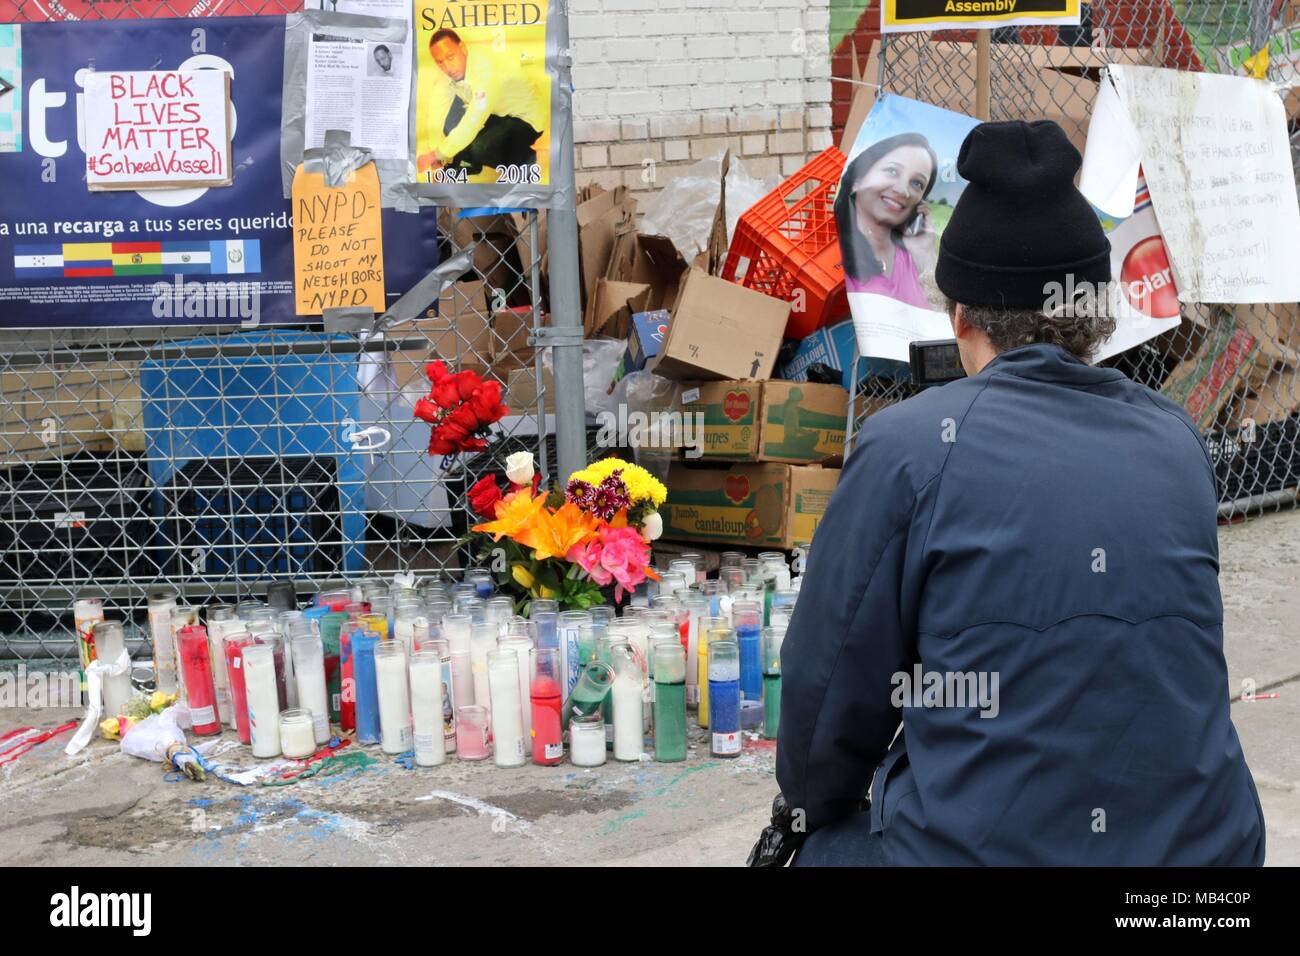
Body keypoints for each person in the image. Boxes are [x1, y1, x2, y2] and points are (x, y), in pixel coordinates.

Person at [770, 120, 1265, 867]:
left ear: (959, 315)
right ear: (1096, 313)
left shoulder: (910, 449)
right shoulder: (1175, 438)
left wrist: (811, 812)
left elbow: (830, 695)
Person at [416, 28, 548, 177]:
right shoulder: (447, 71)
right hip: (493, 114)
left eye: (450, 57)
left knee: (479, 147)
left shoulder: (485, 67)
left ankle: (525, 161)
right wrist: (436, 157)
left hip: (524, 117)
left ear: (462, 48)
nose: (447, 67)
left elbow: (473, 120)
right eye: (440, 62)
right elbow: (436, 113)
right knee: (451, 122)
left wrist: (436, 154)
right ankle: (468, 163)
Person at [834, 132, 940, 311]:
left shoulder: (912, 256)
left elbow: (944, 321)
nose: (902, 190)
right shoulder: (832, 251)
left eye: (916, 183)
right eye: (892, 171)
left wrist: (925, 255)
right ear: (858, 179)